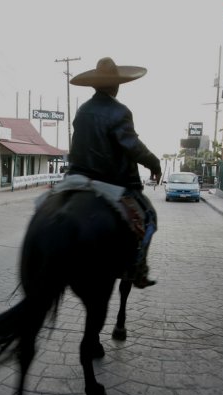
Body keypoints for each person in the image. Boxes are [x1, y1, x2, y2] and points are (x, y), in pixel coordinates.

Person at [67, 57, 162, 289]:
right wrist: (154, 163)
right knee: (148, 217)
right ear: (116, 85)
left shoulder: (82, 111)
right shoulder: (119, 112)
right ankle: (138, 268)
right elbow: (132, 146)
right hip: (112, 182)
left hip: (76, 179)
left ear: (95, 85)